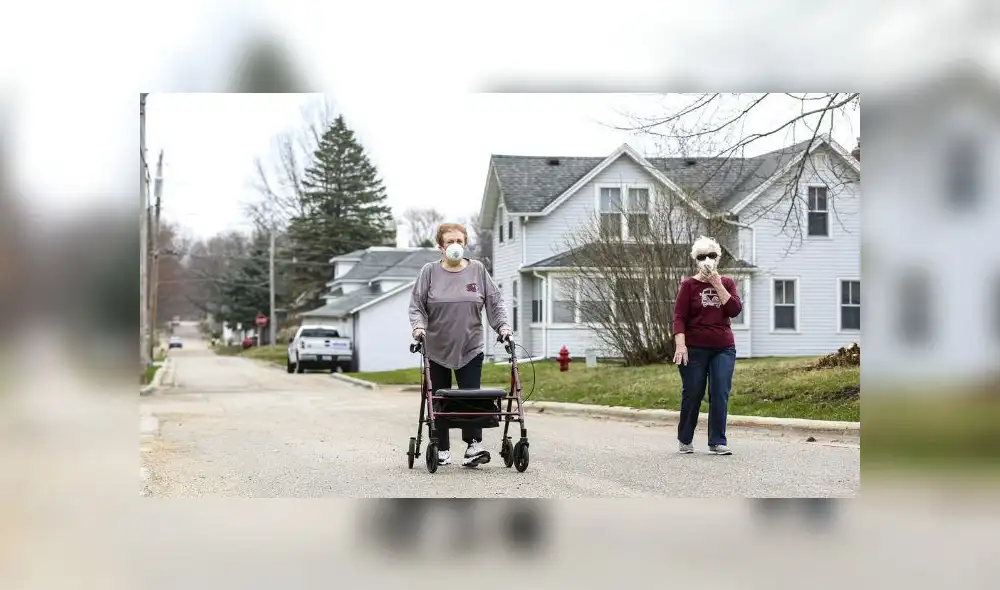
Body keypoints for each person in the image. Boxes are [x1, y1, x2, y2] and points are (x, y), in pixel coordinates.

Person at [408, 222, 511, 467]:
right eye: (450, 242)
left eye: (459, 241)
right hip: (436, 349)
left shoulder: (477, 270)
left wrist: (503, 327)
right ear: (440, 247)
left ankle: (473, 447)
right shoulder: (429, 272)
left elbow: (495, 303)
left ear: (465, 244)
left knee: (470, 399)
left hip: (470, 347)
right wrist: (418, 327)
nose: (455, 245)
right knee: (440, 400)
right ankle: (441, 448)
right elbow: (417, 306)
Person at [671, 235, 743, 455]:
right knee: (693, 392)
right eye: (702, 257)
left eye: (711, 256)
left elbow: (734, 310)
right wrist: (681, 345)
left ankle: (717, 441)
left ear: (717, 258)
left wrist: (717, 283)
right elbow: (679, 317)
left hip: (723, 347)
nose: (707, 260)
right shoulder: (688, 285)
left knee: (720, 391)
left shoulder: (727, 283)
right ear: (696, 260)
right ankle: (685, 438)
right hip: (694, 348)